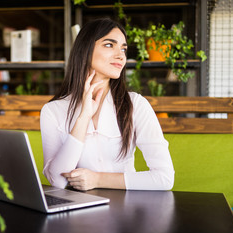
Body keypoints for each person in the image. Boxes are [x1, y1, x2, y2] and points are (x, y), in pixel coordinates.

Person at [40, 18, 174, 191]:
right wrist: (84, 117)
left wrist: (97, 179)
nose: (121, 55)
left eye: (123, 49)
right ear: (85, 49)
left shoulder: (136, 105)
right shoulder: (52, 111)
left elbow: (164, 178)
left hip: (125, 211)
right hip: (78, 213)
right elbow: (57, 181)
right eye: (110, 45)